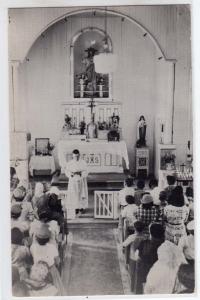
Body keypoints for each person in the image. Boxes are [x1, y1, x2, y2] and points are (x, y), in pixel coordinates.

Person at [135, 223, 165, 294]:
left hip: (145, 274)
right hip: (160, 275)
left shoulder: (144, 243)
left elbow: (137, 257)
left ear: (150, 233)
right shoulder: (165, 245)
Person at [122, 221, 146, 293]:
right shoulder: (145, 237)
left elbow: (124, 244)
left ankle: (132, 289)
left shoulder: (132, 237)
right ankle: (139, 290)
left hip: (132, 258)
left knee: (132, 274)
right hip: (142, 258)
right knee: (140, 274)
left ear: (135, 229)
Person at [64, 149, 88, 214]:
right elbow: (67, 171)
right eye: (75, 156)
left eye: (77, 156)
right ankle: (75, 207)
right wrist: (71, 174)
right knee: (74, 194)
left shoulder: (83, 162)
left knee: (81, 194)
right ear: (72, 156)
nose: (76, 158)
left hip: (81, 180)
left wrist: (81, 173)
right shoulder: (70, 163)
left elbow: (86, 171)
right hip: (73, 181)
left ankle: (81, 207)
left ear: (79, 155)